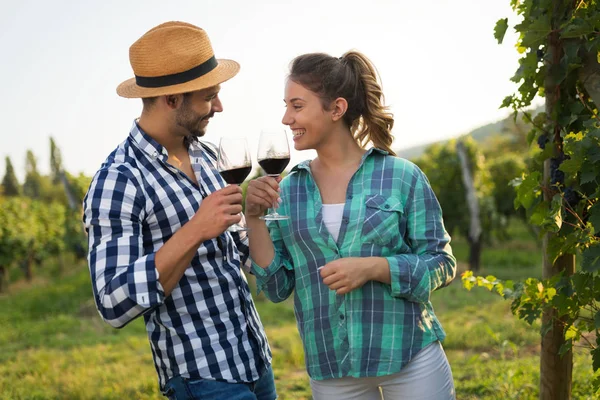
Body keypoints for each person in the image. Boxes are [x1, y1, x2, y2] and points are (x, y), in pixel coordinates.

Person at [245, 51, 456, 400]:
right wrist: (253, 218)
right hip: (332, 367)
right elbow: (277, 286)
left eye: (297, 106)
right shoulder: (289, 190)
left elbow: (442, 263)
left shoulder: (401, 176)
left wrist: (376, 268)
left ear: (336, 109)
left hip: (409, 355)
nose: (286, 118)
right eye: (286, 106)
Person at [83, 21, 276, 400]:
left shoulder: (206, 157)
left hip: (254, 358)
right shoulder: (119, 179)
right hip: (201, 378)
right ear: (172, 99)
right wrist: (194, 229)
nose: (218, 107)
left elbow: (240, 254)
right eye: (209, 97)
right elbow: (111, 302)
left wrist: (256, 218)